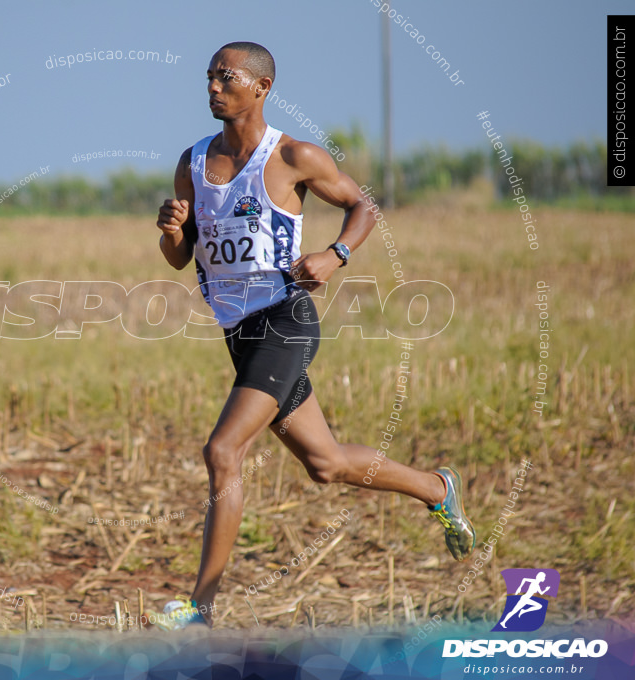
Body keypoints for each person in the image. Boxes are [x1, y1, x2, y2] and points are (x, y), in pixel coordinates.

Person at [153, 41, 475, 629]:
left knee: (223, 451)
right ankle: (436, 487)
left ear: (261, 88)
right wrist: (172, 230)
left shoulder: (294, 155)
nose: (212, 87)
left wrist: (336, 253)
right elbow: (180, 259)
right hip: (238, 333)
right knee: (325, 464)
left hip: (285, 319)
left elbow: (363, 206)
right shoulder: (192, 162)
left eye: (226, 77)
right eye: (208, 77)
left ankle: (201, 607)